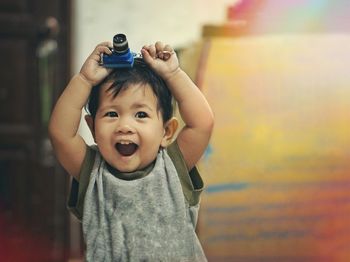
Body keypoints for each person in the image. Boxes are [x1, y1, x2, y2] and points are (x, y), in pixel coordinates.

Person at [48, 40, 214, 261]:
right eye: (112, 114)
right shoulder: (92, 174)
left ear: (166, 131)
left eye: (141, 115)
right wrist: (85, 80)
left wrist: (173, 74)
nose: (124, 126)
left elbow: (202, 123)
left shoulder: (173, 166)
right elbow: (60, 133)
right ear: (93, 128)